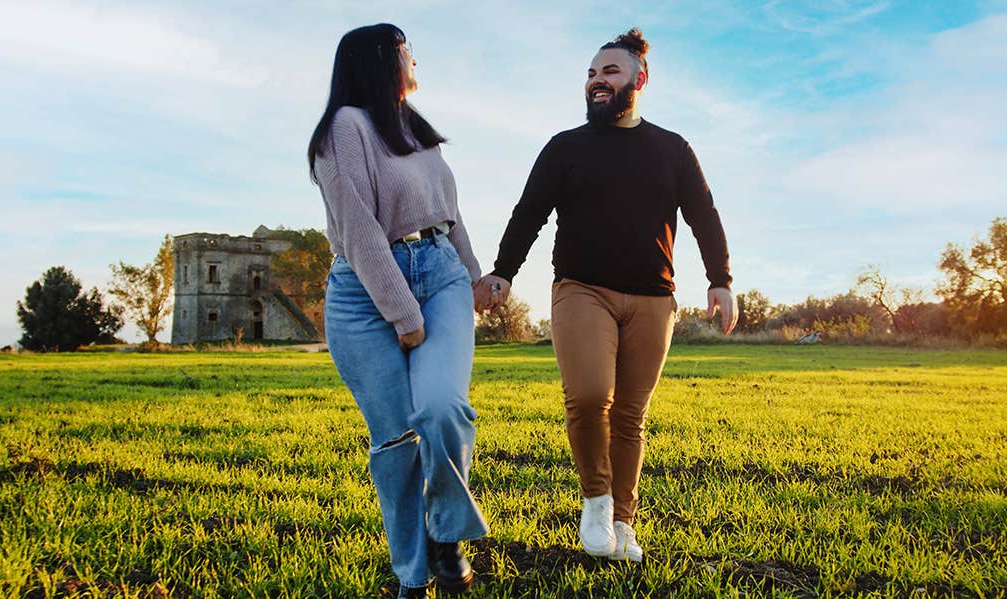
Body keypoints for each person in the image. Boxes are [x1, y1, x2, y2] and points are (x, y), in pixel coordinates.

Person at [474, 28, 737, 563]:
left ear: (640, 79)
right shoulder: (565, 147)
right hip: (582, 290)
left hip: (653, 299)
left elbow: (703, 215)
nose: (597, 81)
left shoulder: (673, 149)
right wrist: (502, 272)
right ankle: (595, 501)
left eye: (609, 72)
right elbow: (529, 213)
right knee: (591, 395)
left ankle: (623, 521)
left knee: (630, 415)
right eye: (591, 73)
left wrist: (721, 279)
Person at [308, 24, 487, 598]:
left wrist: (478, 278)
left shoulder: (418, 132)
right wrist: (403, 313)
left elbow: (449, 216)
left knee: (441, 408)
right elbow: (358, 229)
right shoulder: (346, 127)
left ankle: (446, 533)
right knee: (394, 442)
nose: (417, 61)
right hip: (364, 295)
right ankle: (413, 576)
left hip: (440, 277)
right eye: (410, 51)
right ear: (386, 59)